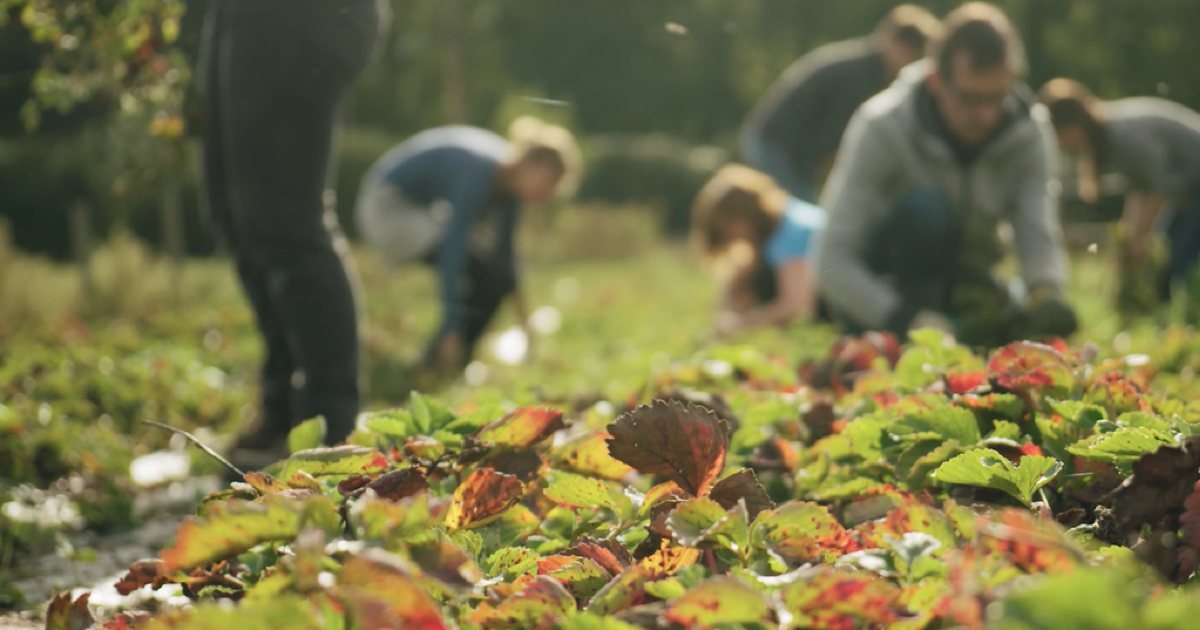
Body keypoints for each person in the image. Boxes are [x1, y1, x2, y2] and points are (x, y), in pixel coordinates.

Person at [816, 2, 1077, 346]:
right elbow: (831, 257)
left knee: (1008, 321)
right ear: (936, 81)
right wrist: (907, 319)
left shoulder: (1030, 132)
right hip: (885, 299)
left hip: (965, 280)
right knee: (927, 212)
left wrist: (1045, 293)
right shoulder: (882, 126)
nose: (986, 116)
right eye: (971, 99)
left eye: (997, 97)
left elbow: (1036, 228)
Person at [197, 0, 384, 464]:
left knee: (288, 220)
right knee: (236, 216)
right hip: (237, 17)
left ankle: (330, 425)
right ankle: (284, 409)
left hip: (301, 16)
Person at [356, 117, 581, 371]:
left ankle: (450, 357)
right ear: (531, 166)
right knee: (479, 266)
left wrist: (525, 326)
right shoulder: (482, 172)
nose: (547, 195)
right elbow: (452, 251)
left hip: (425, 212)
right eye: (549, 183)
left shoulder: (509, 188)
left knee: (492, 273)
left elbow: (506, 260)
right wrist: (452, 324)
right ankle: (444, 352)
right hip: (387, 209)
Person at [740, 5, 942, 202]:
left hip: (787, 144)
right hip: (776, 142)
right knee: (792, 214)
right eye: (913, 55)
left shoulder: (869, 67)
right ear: (896, 44)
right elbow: (837, 137)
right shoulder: (861, 76)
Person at [1040, 78, 1200, 302]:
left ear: (1071, 127)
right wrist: (1128, 237)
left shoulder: (1121, 135)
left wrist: (1138, 240)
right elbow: (1139, 190)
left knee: (1177, 260)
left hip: (1194, 189)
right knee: (1167, 261)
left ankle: (1180, 316)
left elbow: (1154, 191)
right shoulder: (1108, 135)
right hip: (1189, 191)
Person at [692, 164, 826, 336]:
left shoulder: (792, 232)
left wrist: (740, 325)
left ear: (744, 215)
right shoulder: (784, 218)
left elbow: (798, 307)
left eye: (728, 230)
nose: (731, 239)